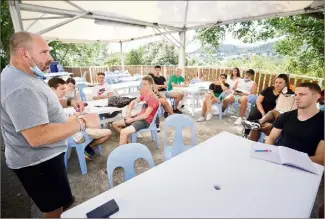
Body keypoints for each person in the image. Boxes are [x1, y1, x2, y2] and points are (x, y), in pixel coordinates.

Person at [0, 31, 100, 218]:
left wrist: (69, 102)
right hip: (38, 162)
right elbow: (38, 136)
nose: (50, 58)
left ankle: (63, 201)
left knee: (60, 201)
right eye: (44, 52)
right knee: (53, 211)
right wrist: (83, 122)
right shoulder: (20, 87)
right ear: (24, 53)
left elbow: (42, 102)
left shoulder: (24, 74)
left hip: (44, 157)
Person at [48, 77, 112, 160]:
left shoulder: (54, 100)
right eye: (62, 88)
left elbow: (70, 105)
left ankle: (88, 146)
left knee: (92, 121)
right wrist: (77, 115)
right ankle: (87, 147)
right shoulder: (53, 105)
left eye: (66, 87)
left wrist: (75, 109)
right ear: (53, 89)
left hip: (73, 131)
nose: (65, 90)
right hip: (74, 133)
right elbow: (65, 122)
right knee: (107, 131)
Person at [266, 83, 324, 165]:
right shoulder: (286, 116)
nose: (297, 98)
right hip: (278, 162)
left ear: (316, 96)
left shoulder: (322, 122)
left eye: (302, 94)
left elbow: (321, 159)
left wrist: (290, 159)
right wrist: (270, 154)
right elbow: (271, 138)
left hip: (306, 168)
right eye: (296, 94)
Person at [112, 76, 160, 145]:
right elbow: (133, 102)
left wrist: (132, 119)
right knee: (114, 124)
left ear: (150, 85)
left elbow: (145, 115)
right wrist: (129, 112)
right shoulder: (145, 94)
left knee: (123, 132)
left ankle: (122, 154)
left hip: (145, 121)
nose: (143, 86)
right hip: (139, 117)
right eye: (142, 84)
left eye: (145, 84)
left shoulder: (153, 98)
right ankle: (128, 141)